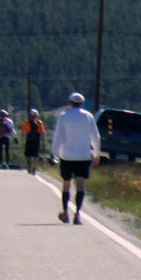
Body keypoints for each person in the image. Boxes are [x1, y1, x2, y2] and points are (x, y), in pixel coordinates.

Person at [52, 93, 99, 223]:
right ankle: (77, 214)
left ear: (70, 103)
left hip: (66, 155)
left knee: (66, 184)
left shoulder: (64, 116)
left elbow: (58, 137)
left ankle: (65, 212)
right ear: (82, 103)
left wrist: (53, 153)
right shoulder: (88, 116)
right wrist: (96, 153)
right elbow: (96, 137)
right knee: (80, 185)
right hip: (83, 156)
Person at [21, 108, 45, 174]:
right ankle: (34, 168)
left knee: (28, 155)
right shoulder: (40, 123)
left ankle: (30, 167)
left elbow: (23, 131)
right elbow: (42, 132)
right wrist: (43, 141)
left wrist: (22, 138)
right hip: (36, 140)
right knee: (35, 155)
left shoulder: (27, 122)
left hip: (29, 140)